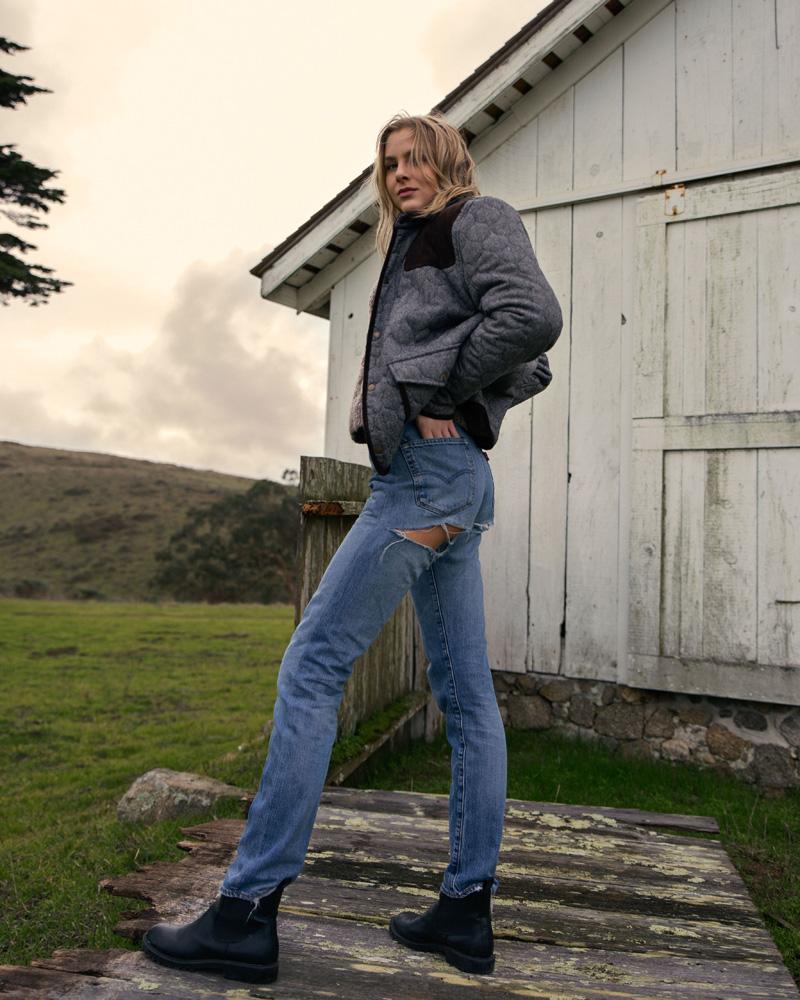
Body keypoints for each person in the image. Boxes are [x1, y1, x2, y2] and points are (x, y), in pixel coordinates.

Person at [142, 111, 562, 984]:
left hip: (424, 483)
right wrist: (413, 395)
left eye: (417, 158)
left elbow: (533, 326)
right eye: (390, 162)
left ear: (448, 161)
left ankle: (245, 912)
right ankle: (465, 913)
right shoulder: (410, 244)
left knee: (312, 668)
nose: (402, 172)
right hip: (449, 482)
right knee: (466, 695)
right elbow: (517, 358)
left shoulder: (473, 219)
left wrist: (433, 394)